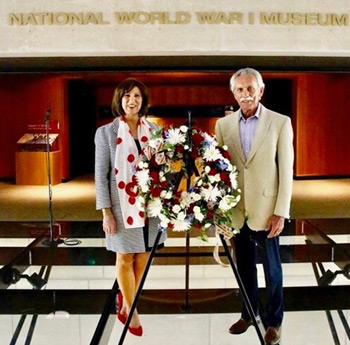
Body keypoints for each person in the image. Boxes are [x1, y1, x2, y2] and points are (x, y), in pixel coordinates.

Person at [215, 68, 294, 345]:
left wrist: (281, 211)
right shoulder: (223, 126)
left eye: (251, 88)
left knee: (273, 270)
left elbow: (286, 170)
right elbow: (220, 172)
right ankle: (248, 314)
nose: (245, 94)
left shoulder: (280, 122)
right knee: (244, 267)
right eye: (240, 89)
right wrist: (221, 210)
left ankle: (274, 322)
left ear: (261, 91)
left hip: (267, 209)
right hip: (237, 210)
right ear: (233, 93)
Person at [94, 78, 166, 337]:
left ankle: (125, 303)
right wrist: (106, 212)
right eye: (126, 96)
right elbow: (101, 175)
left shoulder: (155, 131)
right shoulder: (106, 133)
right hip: (121, 207)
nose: (132, 100)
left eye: (136, 95)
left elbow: (161, 169)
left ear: (143, 100)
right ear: (119, 100)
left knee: (144, 257)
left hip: (150, 206)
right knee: (125, 256)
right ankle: (132, 309)